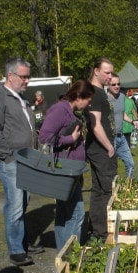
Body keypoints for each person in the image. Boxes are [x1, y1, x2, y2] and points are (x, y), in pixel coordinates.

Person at [0, 58, 42, 266]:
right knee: (15, 204)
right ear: (10, 76)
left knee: (23, 202)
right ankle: (16, 250)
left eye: (28, 76)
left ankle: (22, 241)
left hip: (26, 160)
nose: (27, 81)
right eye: (24, 76)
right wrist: (8, 156)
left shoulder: (21, 98)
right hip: (11, 161)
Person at [39, 80, 94, 249]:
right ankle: (71, 254)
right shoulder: (60, 110)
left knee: (64, 212)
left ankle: (63, 252)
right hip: (65, 171)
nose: (89, 104)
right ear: (78, 96)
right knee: (77, 214)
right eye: (88, 100)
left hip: (71, 170)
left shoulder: (69, 110)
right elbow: (44, 137)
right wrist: (71, 139)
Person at [86, 57, 116, 241]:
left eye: (111, 72)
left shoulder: (97, 91)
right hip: (100, 149)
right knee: (107, 190)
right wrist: (109, 147)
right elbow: (95, 124)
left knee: (98, 190)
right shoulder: (95, 93)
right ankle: (103, 232)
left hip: (98, 148)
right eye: (107, 72)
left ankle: (98, 231)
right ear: (96, 71)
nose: (110, 76)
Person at [107, 74, 135, 177]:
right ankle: (112, 190)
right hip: (110, 138)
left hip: (121, 136)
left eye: (118, 84)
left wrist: (132, 121)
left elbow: (122, 113)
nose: (116, 86)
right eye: (113, 84)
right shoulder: (105, 99)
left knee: (130, 164)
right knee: (112, 167)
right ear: (108, 85)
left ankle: (128, 189)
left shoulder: (122, 96)